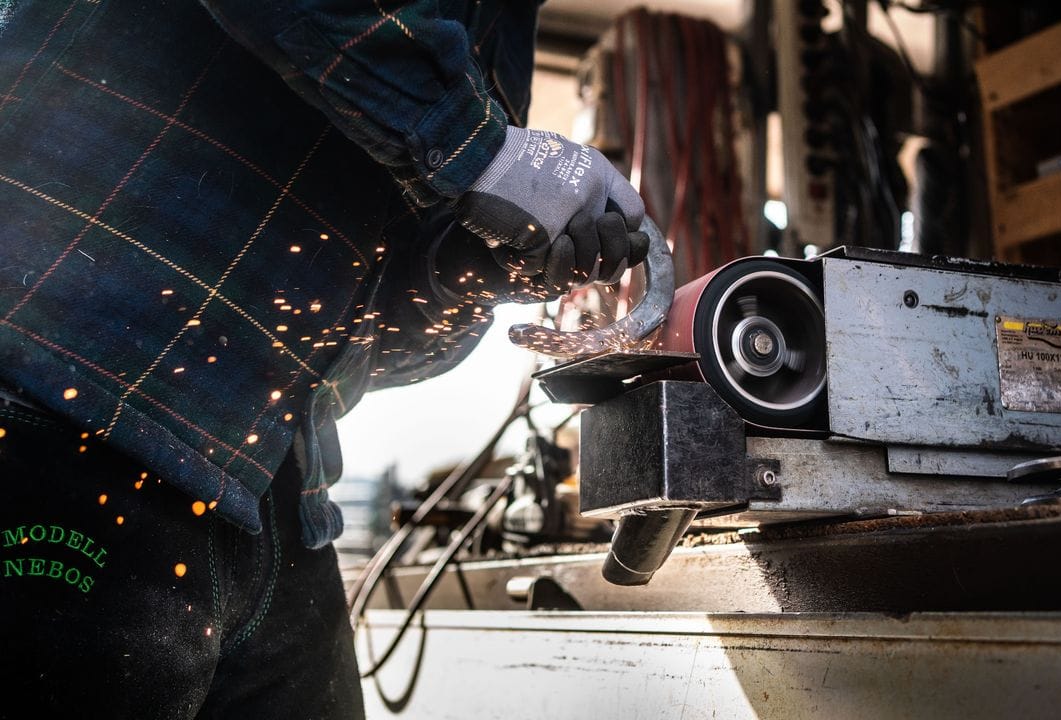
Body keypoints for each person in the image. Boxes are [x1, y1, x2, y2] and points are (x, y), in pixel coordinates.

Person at [0, 1, 648, 717]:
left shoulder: (499, 30)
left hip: (280, 490)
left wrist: (478, 269)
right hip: (63, 402)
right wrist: (485, 151)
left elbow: (373, 338)